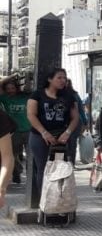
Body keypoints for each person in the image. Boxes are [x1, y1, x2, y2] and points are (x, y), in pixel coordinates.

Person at [26, 68, 79, 198]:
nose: (62, 81)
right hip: (40, 136)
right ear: (50, 79)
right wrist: (44, 133)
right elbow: (31, 115)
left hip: (62, 137)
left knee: (62, 168)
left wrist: (67, 133)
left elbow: (75, 117)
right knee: (43, 168)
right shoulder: (37, 95)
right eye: (59, 78)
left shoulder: (69, 96)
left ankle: (59, 201)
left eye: (64, 78)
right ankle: (44, 201)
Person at [0, 78, 31, 184]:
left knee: (30, 155)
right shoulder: (4, 98)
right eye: (8, 89)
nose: (10, 91)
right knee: (12, 155)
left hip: (28, 130)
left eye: (12, 88)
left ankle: (30, 176)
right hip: (14, 132)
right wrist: (9, 77)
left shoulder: (25, 97)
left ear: (17, 88)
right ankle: (16, 172)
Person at [65, 79, 87, 165]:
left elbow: (81, 109)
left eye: (66, 82)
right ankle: (68, 161)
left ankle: (71, 162)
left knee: (72, 141)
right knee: (68, 142)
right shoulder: (58, 94)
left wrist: (85, 122)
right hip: (65, 122)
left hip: (76, 121)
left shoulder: (74, 95)